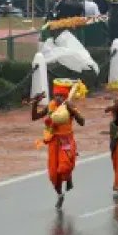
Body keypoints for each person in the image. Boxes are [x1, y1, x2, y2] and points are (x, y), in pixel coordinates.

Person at [31, 81, 85, 209]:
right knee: (53, 174)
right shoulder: (51, 106)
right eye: (56, 95)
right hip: (53, 142)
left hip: (66, 141)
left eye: (61, 95)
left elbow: (82, 122)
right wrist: (35, 103)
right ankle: (60, 195)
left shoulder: (69, 106)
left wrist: (73, 111)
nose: (58, 98)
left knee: (64, 168)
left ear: (66, 96)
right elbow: (34, 117)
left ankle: (69, 177)